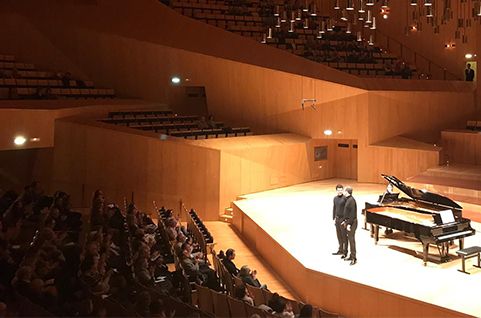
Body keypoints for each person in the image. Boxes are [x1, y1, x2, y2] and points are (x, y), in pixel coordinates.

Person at [341, 186, 357, 265]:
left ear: (347, 192)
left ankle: (354, 258)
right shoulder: (348, 199)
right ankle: (351, 256)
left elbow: (352, 214)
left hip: (352, 223)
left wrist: (349, 224)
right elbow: (346, 212)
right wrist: (344, 221)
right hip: (348, 222)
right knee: (349, 239)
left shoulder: (351, 201)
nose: (343, 192)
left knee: (351, 240)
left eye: (344, 191)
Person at [332, 184, 347, 257]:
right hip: (337, 219)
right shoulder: (335, 198)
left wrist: (345, 220)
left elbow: (347, 210)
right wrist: (333, 218)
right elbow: (334, 208)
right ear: (336, 190)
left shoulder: (345, 198)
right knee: (338, 235)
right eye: (338, 190)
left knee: (344, 236)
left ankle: (345, 251)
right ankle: (340, 249)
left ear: (343, 190)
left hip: (342, 219)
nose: (340, 191)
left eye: (341, 190)